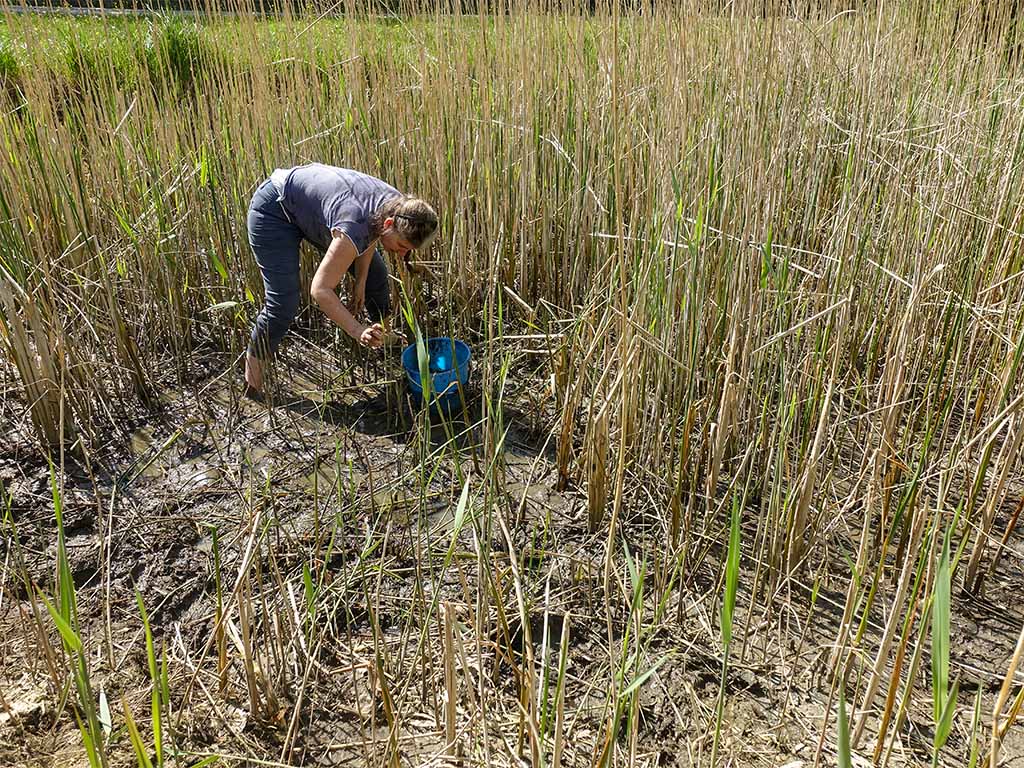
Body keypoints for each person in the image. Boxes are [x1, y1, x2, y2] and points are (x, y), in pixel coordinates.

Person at [244, 163, 438, 395]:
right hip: (274, 211)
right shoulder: (353, 226)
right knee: (283, 305)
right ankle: (251, 387)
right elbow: (320, 289)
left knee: (376, 274)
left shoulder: (399, 206)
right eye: (401, 246)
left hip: (310, 208)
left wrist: (361, 280)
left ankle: (384, 340)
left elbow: (371, 230)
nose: (403, 254)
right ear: (390, 225)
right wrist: (357, 330)